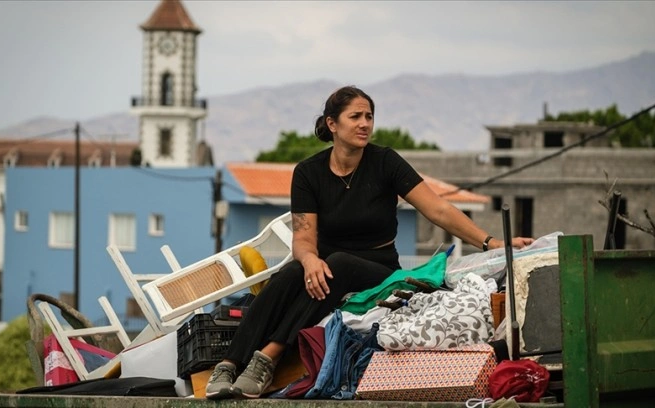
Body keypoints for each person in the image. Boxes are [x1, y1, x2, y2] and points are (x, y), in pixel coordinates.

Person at [205, 85, 534, 399]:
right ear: (332, 124)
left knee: (336, 265)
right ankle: (228, 364)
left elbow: (438, 209)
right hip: (326, 265)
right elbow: (303, 238)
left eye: (369, 116)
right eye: (355, 116)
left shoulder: (385, 162)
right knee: (291, 273)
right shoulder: (308, 172)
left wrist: (491, 242)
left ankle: (268, 357)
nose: (365, 124)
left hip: (379, 269)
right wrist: (309, 259)